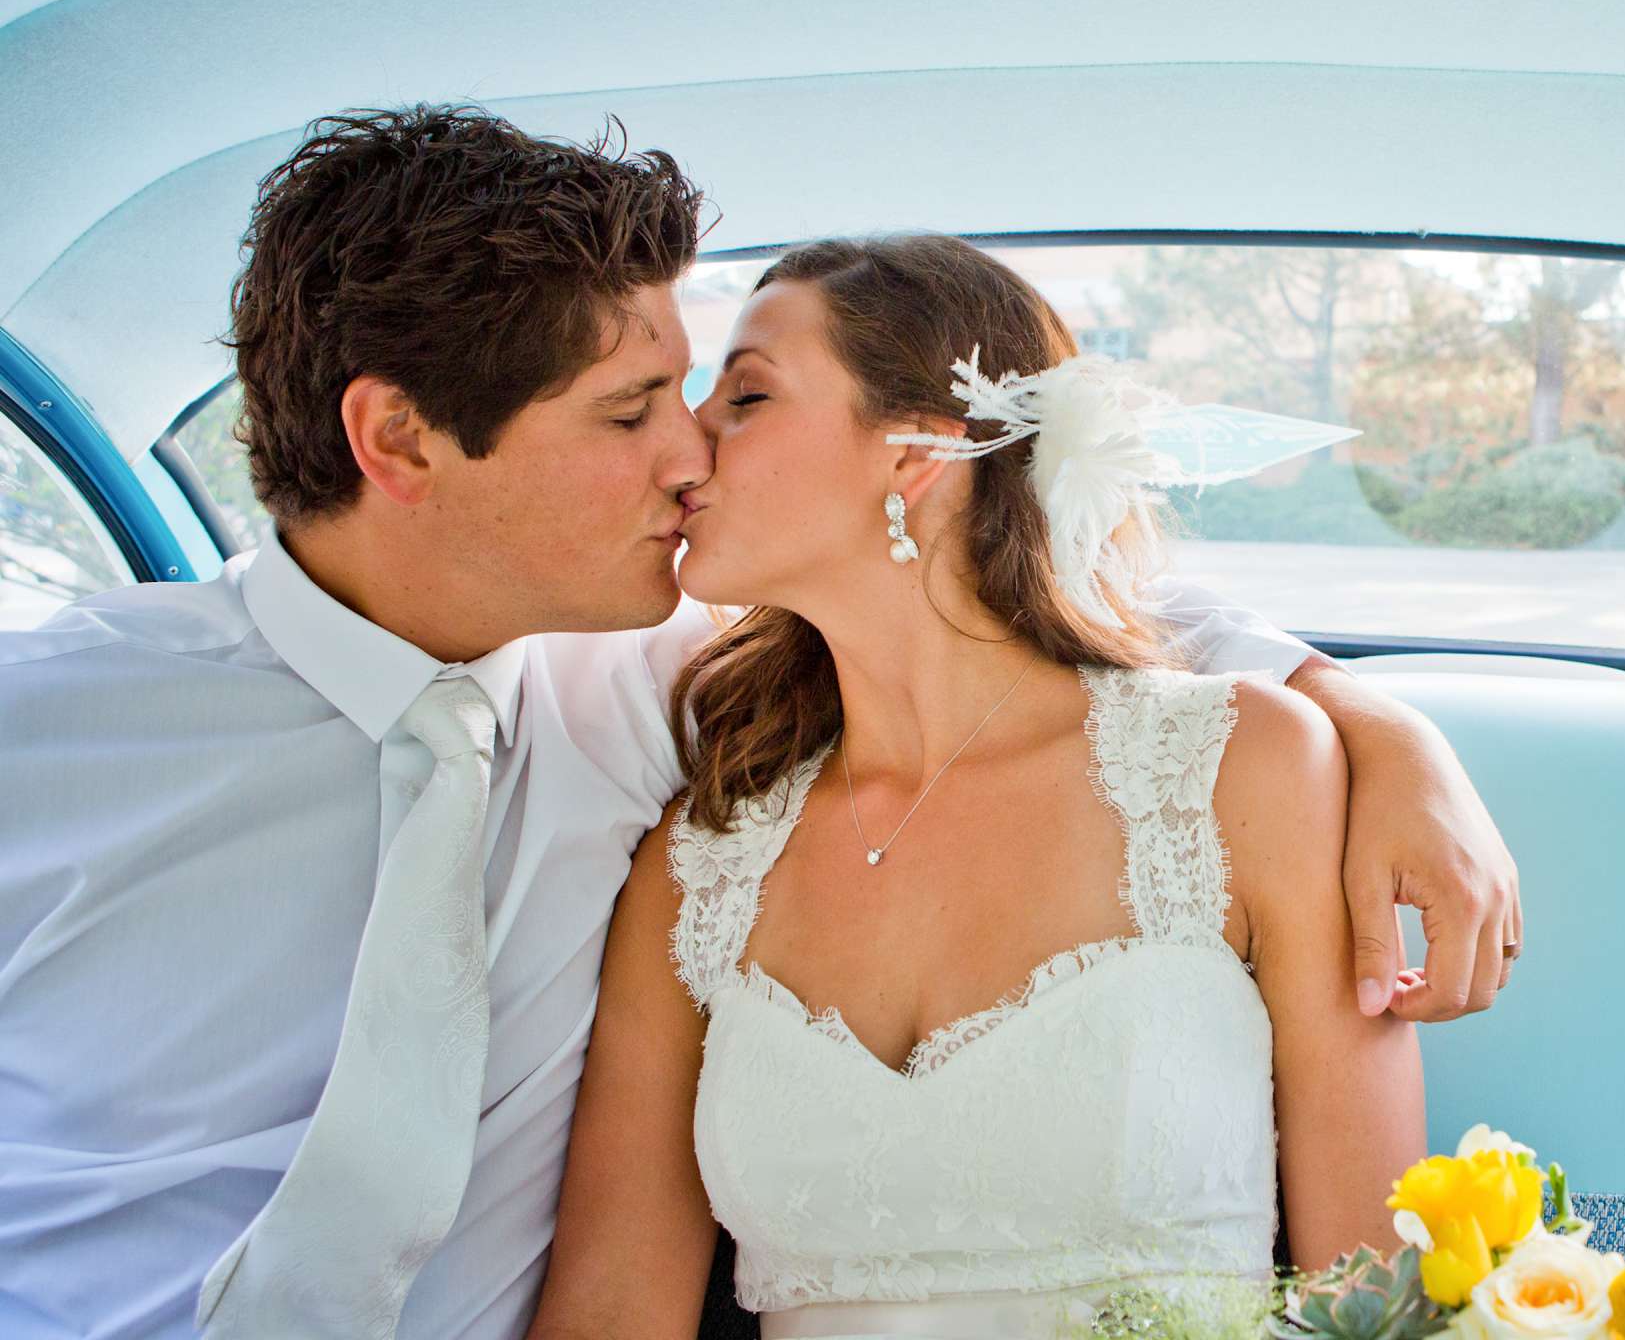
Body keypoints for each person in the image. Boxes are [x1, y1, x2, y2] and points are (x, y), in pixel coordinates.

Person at [0, 108, 1521, 1340]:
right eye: (634, 411)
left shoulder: (644, 684)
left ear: (914, 457)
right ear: (398, 438)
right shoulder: (51, 727)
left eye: (724, 395)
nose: (687, 460)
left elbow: (1051, 639)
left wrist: (1385, 729)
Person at [526, 238, 1428, 1338]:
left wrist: (1400, 737)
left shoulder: (1249, 770)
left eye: (747, 394)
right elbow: (609, 1313)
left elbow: (1379, 1300)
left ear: (918, 458)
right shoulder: (699, 861)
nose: (688, 438)